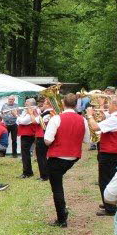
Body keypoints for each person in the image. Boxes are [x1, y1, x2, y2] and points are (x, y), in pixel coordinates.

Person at [44, 93, 91, 227]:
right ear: (77, 104)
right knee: (58, 183)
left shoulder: (56, 118)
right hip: (73, 157)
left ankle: (61, 218)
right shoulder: (83, 120)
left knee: (57, 188)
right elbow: (87, 140)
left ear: (63, 104)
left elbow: (47, 141)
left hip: (57, 156)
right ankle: (62, 214)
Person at [86, 97, 117, 216]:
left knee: (105, 180)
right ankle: (110, 201)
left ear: (116, 105)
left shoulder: (116, 119)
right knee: (113, 179)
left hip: (110, 153)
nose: (108, 107)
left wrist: (89, 115)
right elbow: (107, 117)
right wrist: (102, 107)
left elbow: (95, 127)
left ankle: (110, 208)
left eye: (109, 104)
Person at [16, 98, 43, 178]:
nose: (25, 104)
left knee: (25, 153)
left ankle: (27, 172)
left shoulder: (32, 110)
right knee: (25, 153)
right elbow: (20, 120)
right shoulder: (29, 110)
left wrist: (16, 115)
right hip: (28, 133)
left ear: (31, 104)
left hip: (28, 134)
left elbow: (24, 121)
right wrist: (19, 116)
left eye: (26, 103)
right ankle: (28, 171)